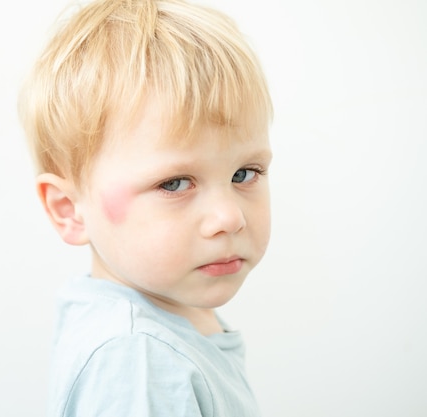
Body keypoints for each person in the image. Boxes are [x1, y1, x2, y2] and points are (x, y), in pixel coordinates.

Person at [18, 0, 273, 415]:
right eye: (174, 183)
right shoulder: (137, 358)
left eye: (245, 173)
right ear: (70, 209)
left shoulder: (164, 315)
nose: (230, 217)